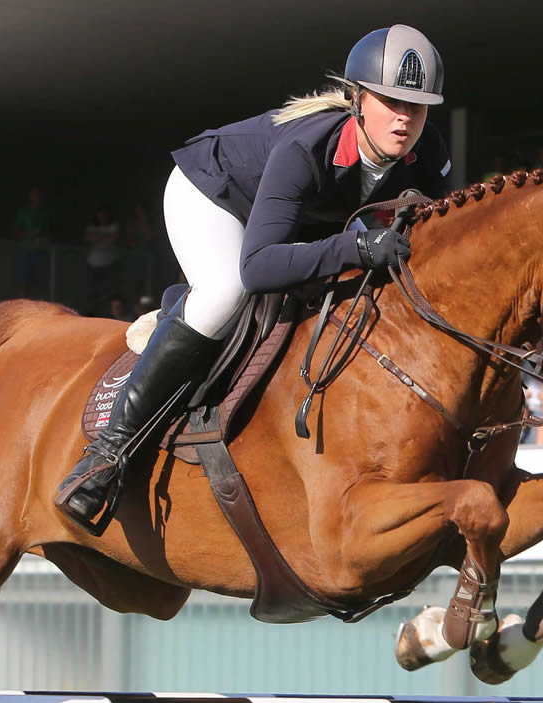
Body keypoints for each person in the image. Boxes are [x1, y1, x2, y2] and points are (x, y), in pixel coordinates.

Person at [56, 25, 452, 525]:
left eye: (416, 107)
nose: (404, 117)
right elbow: (260, 263)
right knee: (227, 290)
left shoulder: (430, 151)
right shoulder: (305, 149)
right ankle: (107, 456)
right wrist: (353, 246)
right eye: (390, 101)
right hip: (214, 196)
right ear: (357, 98)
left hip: (297, 222)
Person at [14, 185, 53, 299]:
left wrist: (43, 235)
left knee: (41, 282)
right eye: (34, 195)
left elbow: (52, 230)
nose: (37, 197)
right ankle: (23, 307)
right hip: (27, 251)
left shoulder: (46, 212)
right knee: (24, 281)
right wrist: (29, 235)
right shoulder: (24, 211)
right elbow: (16, 231)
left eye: (38, 195)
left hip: (42, 251)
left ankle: (42, 309)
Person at [85, 206, 121, 315]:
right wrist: (103, 237)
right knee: (94, 291)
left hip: (108, 263)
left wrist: (98, 238)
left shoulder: (113, 226)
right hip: (93, 263)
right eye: (100, 215)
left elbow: (111, 240)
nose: (102, 217)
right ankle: (93, 312)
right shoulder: (92, 226)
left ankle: (108, 313)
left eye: (104, 215)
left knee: (108, 290)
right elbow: (88, 238)